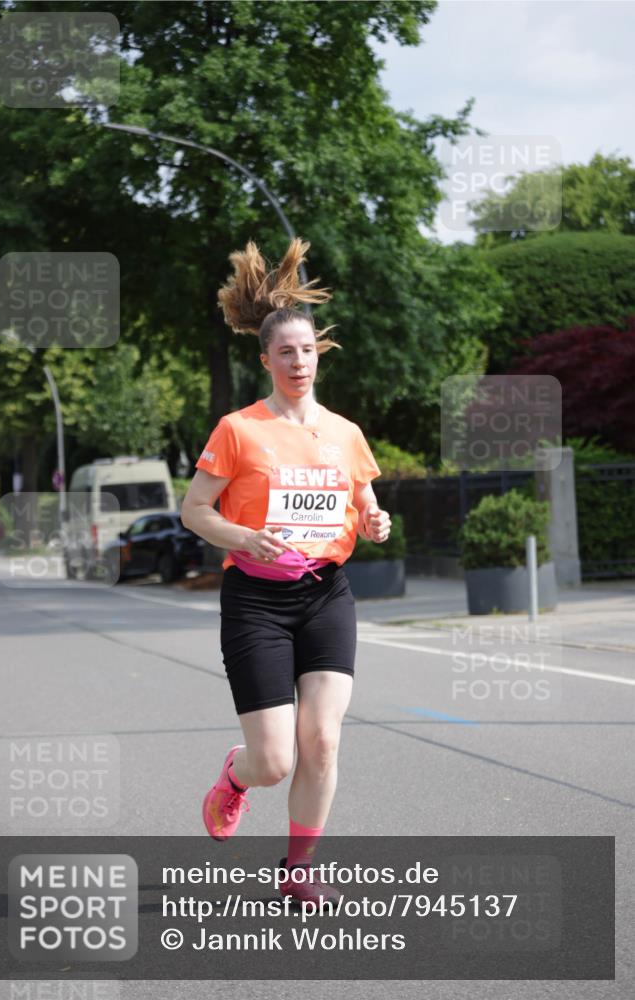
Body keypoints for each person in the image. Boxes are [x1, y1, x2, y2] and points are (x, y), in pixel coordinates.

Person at [181, 238, 391, 908]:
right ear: (266, 359)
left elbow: (363, 503)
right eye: (284, 352)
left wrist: (375, 521)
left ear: (317, 353)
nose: (297, 361)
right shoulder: (239, 429)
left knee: (322, 740)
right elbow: (194, 511)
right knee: (274, 759)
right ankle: (236, 780)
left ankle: (299, 867)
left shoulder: (346, 433)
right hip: (255, 602)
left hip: (327, 594)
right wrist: (244, 536)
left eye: (306, 350)